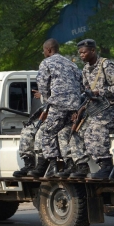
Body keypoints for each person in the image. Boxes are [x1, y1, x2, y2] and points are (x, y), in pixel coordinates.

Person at [73, 38, 114, 179]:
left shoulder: (106, 65)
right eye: (80, 53)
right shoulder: (86, 69)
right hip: (99, 107)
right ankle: (83, 166)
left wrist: (100, 92)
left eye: (84, 52)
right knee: (80, 130)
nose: (81, 55)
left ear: (93, 51)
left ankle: (107, 166)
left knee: (96, 128)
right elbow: (86, 91)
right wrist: (79, 111)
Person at [36, 38, 82, 176]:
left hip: (58, 104)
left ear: (49, 50)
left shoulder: (47, 63)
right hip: (74, 106)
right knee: (65, 134)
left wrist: (46, 99)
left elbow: (43, 85)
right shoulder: (72, 64)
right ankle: (70, 164)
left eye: (44, 50)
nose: (44, 53)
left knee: (48, 133)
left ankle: (53, 166)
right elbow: (81, 84)